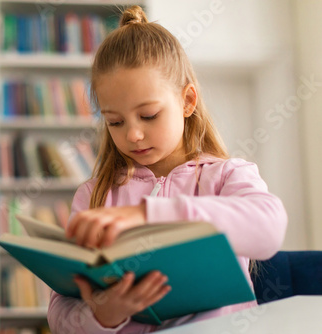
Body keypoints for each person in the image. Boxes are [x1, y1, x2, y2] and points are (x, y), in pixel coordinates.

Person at [47, 5, 288, 334]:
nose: (132, 134)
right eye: (114, 121)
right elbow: (60, 311)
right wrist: (104, 316)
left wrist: (148, 215)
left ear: (187, 101)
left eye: (148, 115)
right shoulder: (93, 196)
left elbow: (269, 229)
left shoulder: (227, 176)